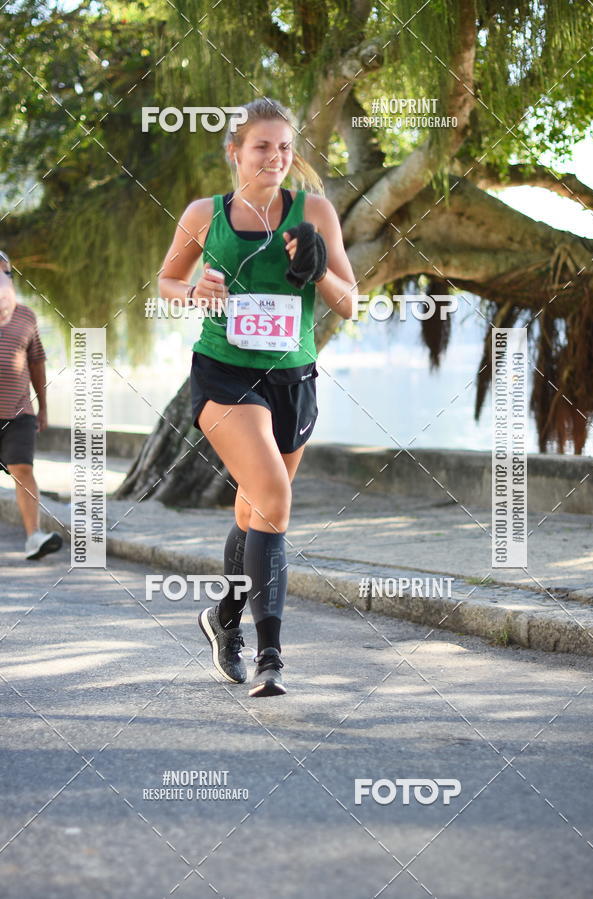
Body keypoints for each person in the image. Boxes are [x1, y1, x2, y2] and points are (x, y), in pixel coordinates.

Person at [159, 98, 355, 697]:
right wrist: (194, 292)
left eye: (285, 147)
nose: (275, 156)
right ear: (235, 152)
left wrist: (318, 269)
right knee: (273, 494)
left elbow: (349, 302)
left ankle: (223, 618)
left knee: (255, 511)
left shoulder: (314, 211)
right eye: (262, 146)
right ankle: (271, 655)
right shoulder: (205, 214)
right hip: (224, 373)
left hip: (293, 378)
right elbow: (167, 283)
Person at [0, 251, 63, 560]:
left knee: (23, 469)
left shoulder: (25, 315)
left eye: (5, 272)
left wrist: (44, 407)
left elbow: (37, 363)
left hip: (18, 411)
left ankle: (33, 537)